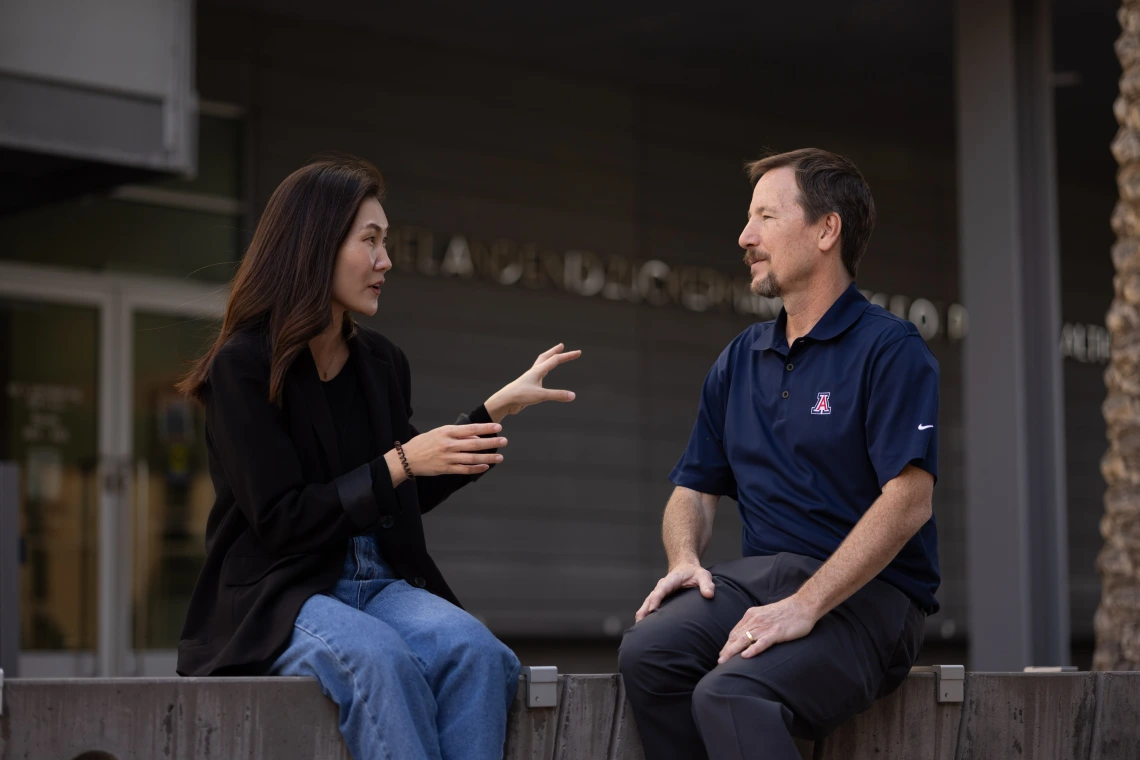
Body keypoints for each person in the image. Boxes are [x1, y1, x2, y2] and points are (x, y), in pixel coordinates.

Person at [175, 153, 580, 760]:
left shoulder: (381, 362)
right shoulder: (243, 366)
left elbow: (404, 489)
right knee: (380, 660)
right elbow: (282, 520)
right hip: (282, 590)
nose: (385, 261)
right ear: (316, 246)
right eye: (371, 240)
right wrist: (401, 462)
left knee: (479, 655)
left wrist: (490, 414)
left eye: (385, 241)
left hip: (379, 579)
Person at [618, 148, 939, 760]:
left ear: (826, 230)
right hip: (760, 583)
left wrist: (804, 605)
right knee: (648, 651)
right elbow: (695, 488)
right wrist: (684, 557)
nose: (745, 237)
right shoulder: (739, 360)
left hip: (869, 599)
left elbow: (910, 501)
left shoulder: (891, 350)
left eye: (765, 217)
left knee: (729, 695)